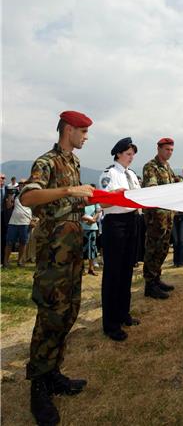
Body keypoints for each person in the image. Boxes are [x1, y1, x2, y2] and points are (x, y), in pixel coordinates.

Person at [19, 110, 94, 426]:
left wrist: (84, 204)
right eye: (83, 132)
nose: (86, 137)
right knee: (50, 315)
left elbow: (67, 204)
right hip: (53, 257)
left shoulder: (73, 163)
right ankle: (38, 386)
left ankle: (53, 373)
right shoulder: (47, 161)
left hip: (73, 255)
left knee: (68, 312)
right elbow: (28, 196)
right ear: (68, 130)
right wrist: (68, 191)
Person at [99, 137, 141, 341]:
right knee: (113, 274)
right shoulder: (109, 174)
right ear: (118, 154)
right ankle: (110, 323)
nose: (131, 157)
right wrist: (116, 194)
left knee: (126, 271)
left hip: (132, 221)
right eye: (128, 154)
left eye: (133, 154)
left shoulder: (131, 175)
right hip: (115, 224)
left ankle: (124, 314)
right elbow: (103, 204)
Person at [143, 137, 176, 299]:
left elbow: (176, 183)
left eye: (171, 150)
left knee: (163, 249)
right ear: (159, 149)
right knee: (153, 249)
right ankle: (149, 285)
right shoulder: (151, 167)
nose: (169, 153)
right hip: (155, 218)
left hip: (168, 216)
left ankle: (157, 278)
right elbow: (152, 188)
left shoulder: (167, 167)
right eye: (167, 149)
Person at [3, 180, 32, 268]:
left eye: (23, 184)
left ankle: (20, 261)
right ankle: (5, 262)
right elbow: (8, 206)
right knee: (9, 243)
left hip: (25, 222)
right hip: (13, 222)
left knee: (23, 243)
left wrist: (34, 220)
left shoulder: (31, 196)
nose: (21, 185)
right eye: (20, 184)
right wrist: (10, 195)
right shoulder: (15, 195)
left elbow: (35, 208)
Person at [81, 191, 101, 276]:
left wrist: (93, 220)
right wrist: (88, 219)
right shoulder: (80, 203)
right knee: (82, 249)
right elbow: (80, 214)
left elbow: (98, 212)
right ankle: (82, 269)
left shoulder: (95, 202)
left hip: (92, 228)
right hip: (82, 228)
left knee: (92, 248)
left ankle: (91, 268)